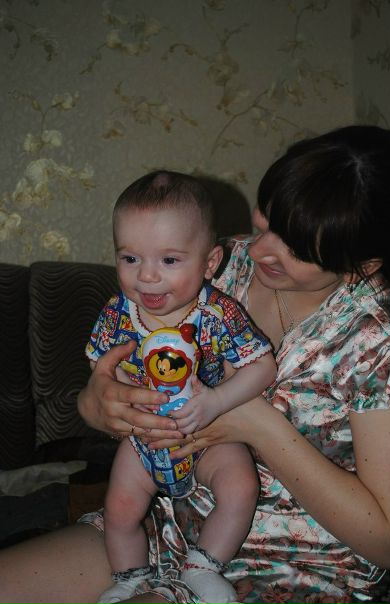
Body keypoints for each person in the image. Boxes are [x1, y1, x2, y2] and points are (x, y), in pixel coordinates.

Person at [0, 124, 390, 604]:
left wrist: (259, 425)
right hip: (162, 520)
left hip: (292, 566)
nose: (258, 250)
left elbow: (389, 543)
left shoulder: (381, 343)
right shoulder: (217, 263)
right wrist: (97, 403)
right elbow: (117, 379)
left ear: (364, 264)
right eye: (265, 222)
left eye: (294, 249)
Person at [86, 170, 276, 604]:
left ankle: (203, 565)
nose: (147, 277)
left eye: (169, 260)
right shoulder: (117, 313)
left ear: (209, 263)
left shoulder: (218, 313)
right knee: (119, 508)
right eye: (130, 258)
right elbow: (99, 364)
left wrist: (217, 401)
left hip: (207, 432)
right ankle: (129, 577)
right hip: (145, 438)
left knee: (240, 488)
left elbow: (262, 367)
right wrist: (114, 387)